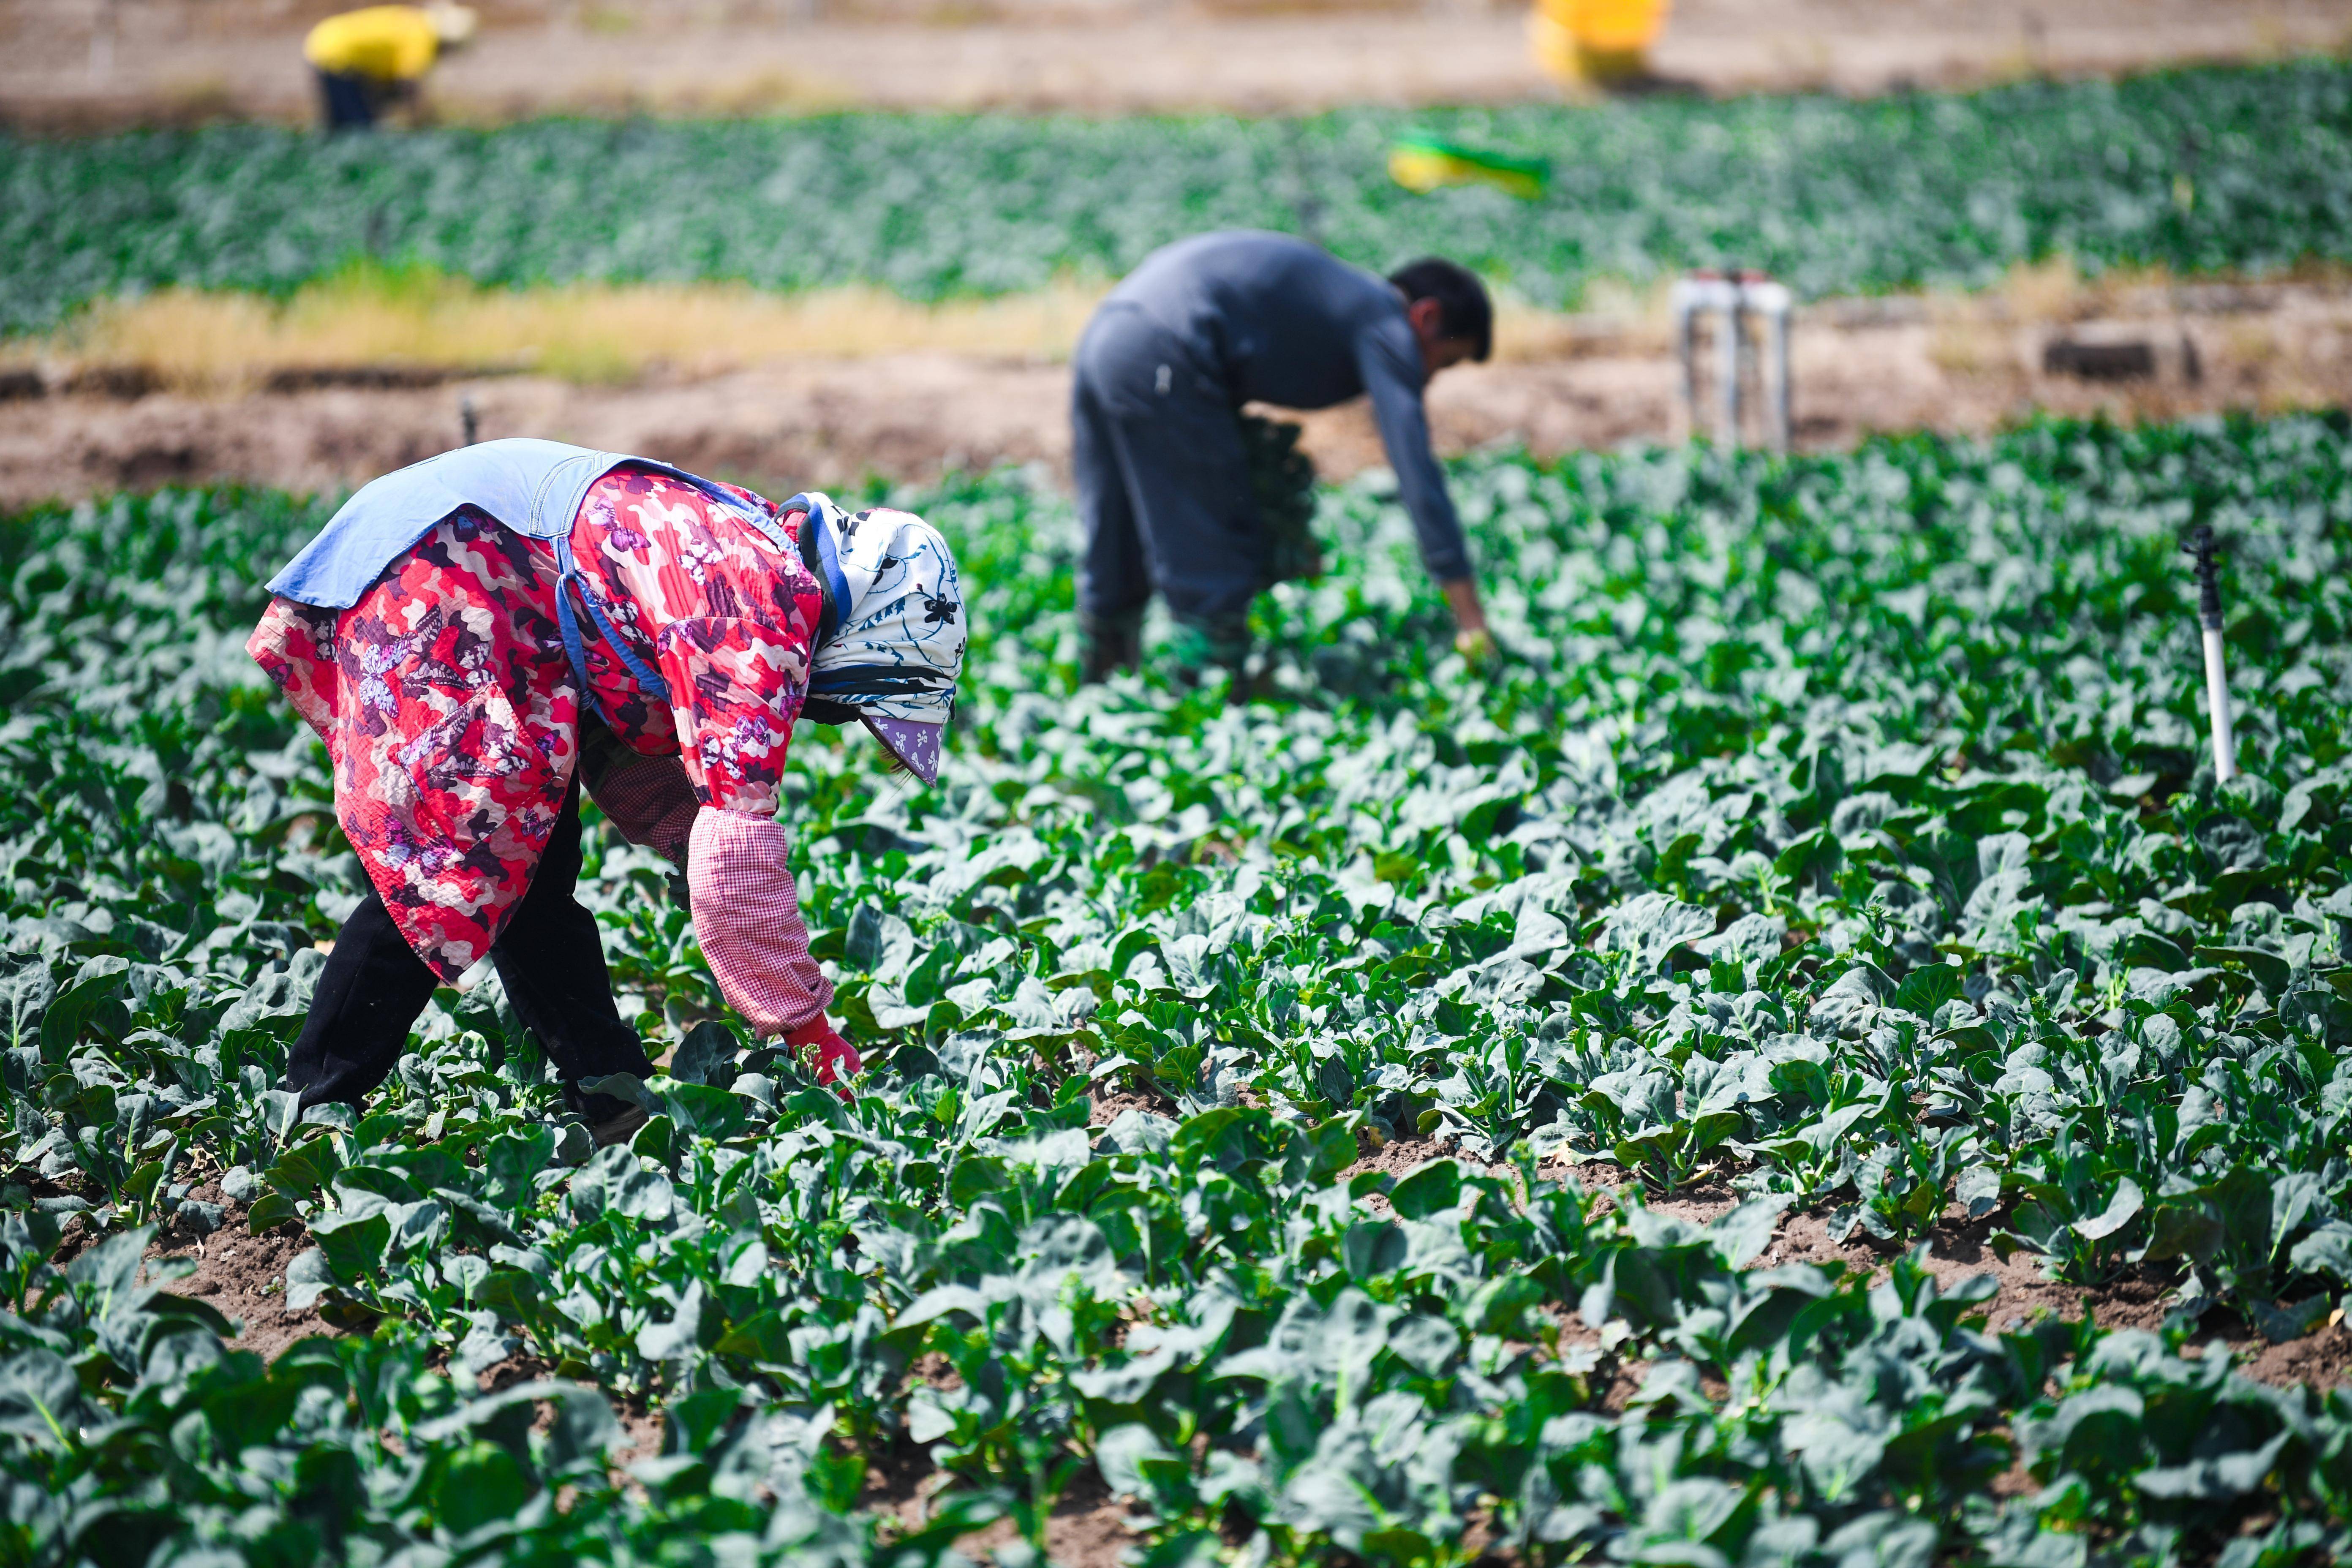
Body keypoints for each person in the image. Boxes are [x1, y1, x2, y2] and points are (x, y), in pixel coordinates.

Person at [248, 438, 966, 1145]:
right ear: (865, 639)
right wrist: (811, 1034)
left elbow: (637, 739)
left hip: (464, 565)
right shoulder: (762, 606)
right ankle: (312, 1102)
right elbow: (735, 855)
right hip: (445, 563)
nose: (832, 713)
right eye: (853, 704)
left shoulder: (749, 551)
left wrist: (698, 856)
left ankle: (610, 1096)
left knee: (528, 875)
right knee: (455, 863)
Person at [1071, 231, 1494, 682]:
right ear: (1427, 317)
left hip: (1108, 331)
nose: (1427, 378)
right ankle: (1200, 708)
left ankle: (1100, 691)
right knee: (1210, 549)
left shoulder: (1346, 297)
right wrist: (1470, 618)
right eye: (1443, 362)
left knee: (1114, 535)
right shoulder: (1385, 321)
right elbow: (1416, 469)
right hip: (1167, 347)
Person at [303, 2, 476, 133]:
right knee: (359, 127)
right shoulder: (423, 38)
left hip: (326, 43)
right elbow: (409, 83)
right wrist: (421, 121)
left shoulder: (416, 21)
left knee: (342, 123)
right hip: (336, 54)